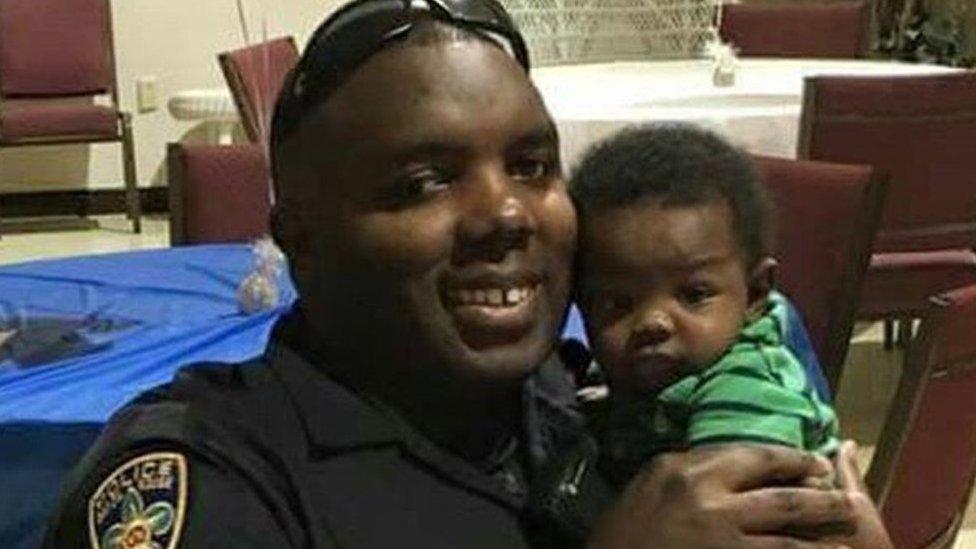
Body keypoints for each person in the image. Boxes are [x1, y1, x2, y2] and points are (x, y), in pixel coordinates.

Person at [44, 0, 887, 547]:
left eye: (532, 165)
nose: (508, 213)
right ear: (299, 235)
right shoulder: (221, 479)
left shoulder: (590, 408)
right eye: (426, 182)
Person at [570, 124, 839, 483]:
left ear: (756, 293)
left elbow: (724, 514)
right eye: (618, 301)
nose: (653, 322)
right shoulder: (663, 378)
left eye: (693, 295)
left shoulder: (747, 387)